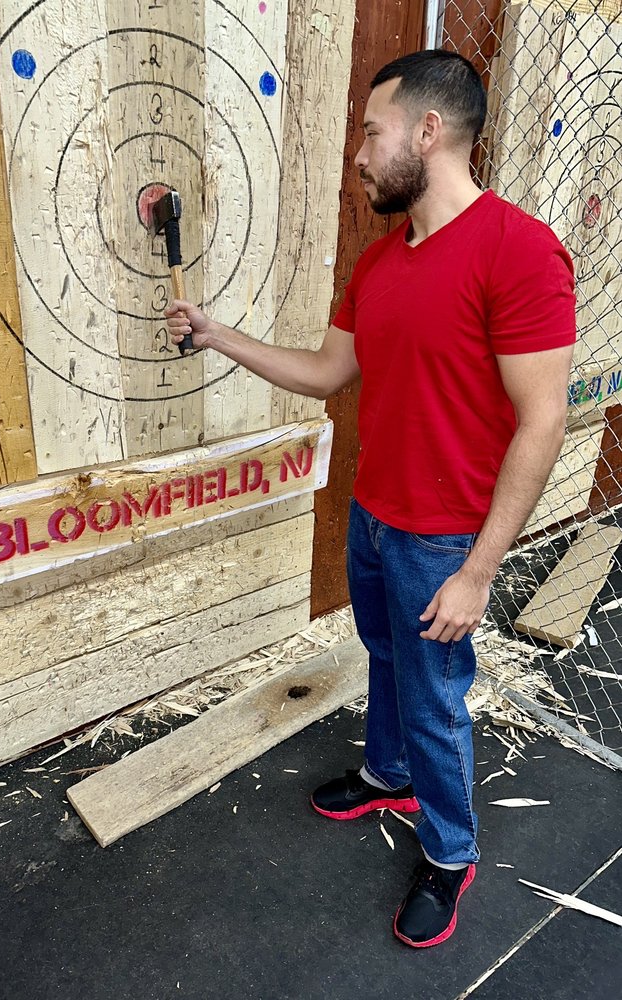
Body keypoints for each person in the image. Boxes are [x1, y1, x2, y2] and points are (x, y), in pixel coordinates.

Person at [165, 49, 576, 948]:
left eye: (370, 130)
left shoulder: (520, 250)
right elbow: (326, 374)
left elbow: (542, 422)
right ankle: (388, 774)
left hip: (443, 542)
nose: (359, 152)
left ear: (429, 132)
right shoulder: (382, 259)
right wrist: (219, 334)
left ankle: (451, 850)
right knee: (384, 659)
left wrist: (478, 571)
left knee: (435, 700)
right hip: (375, 517)